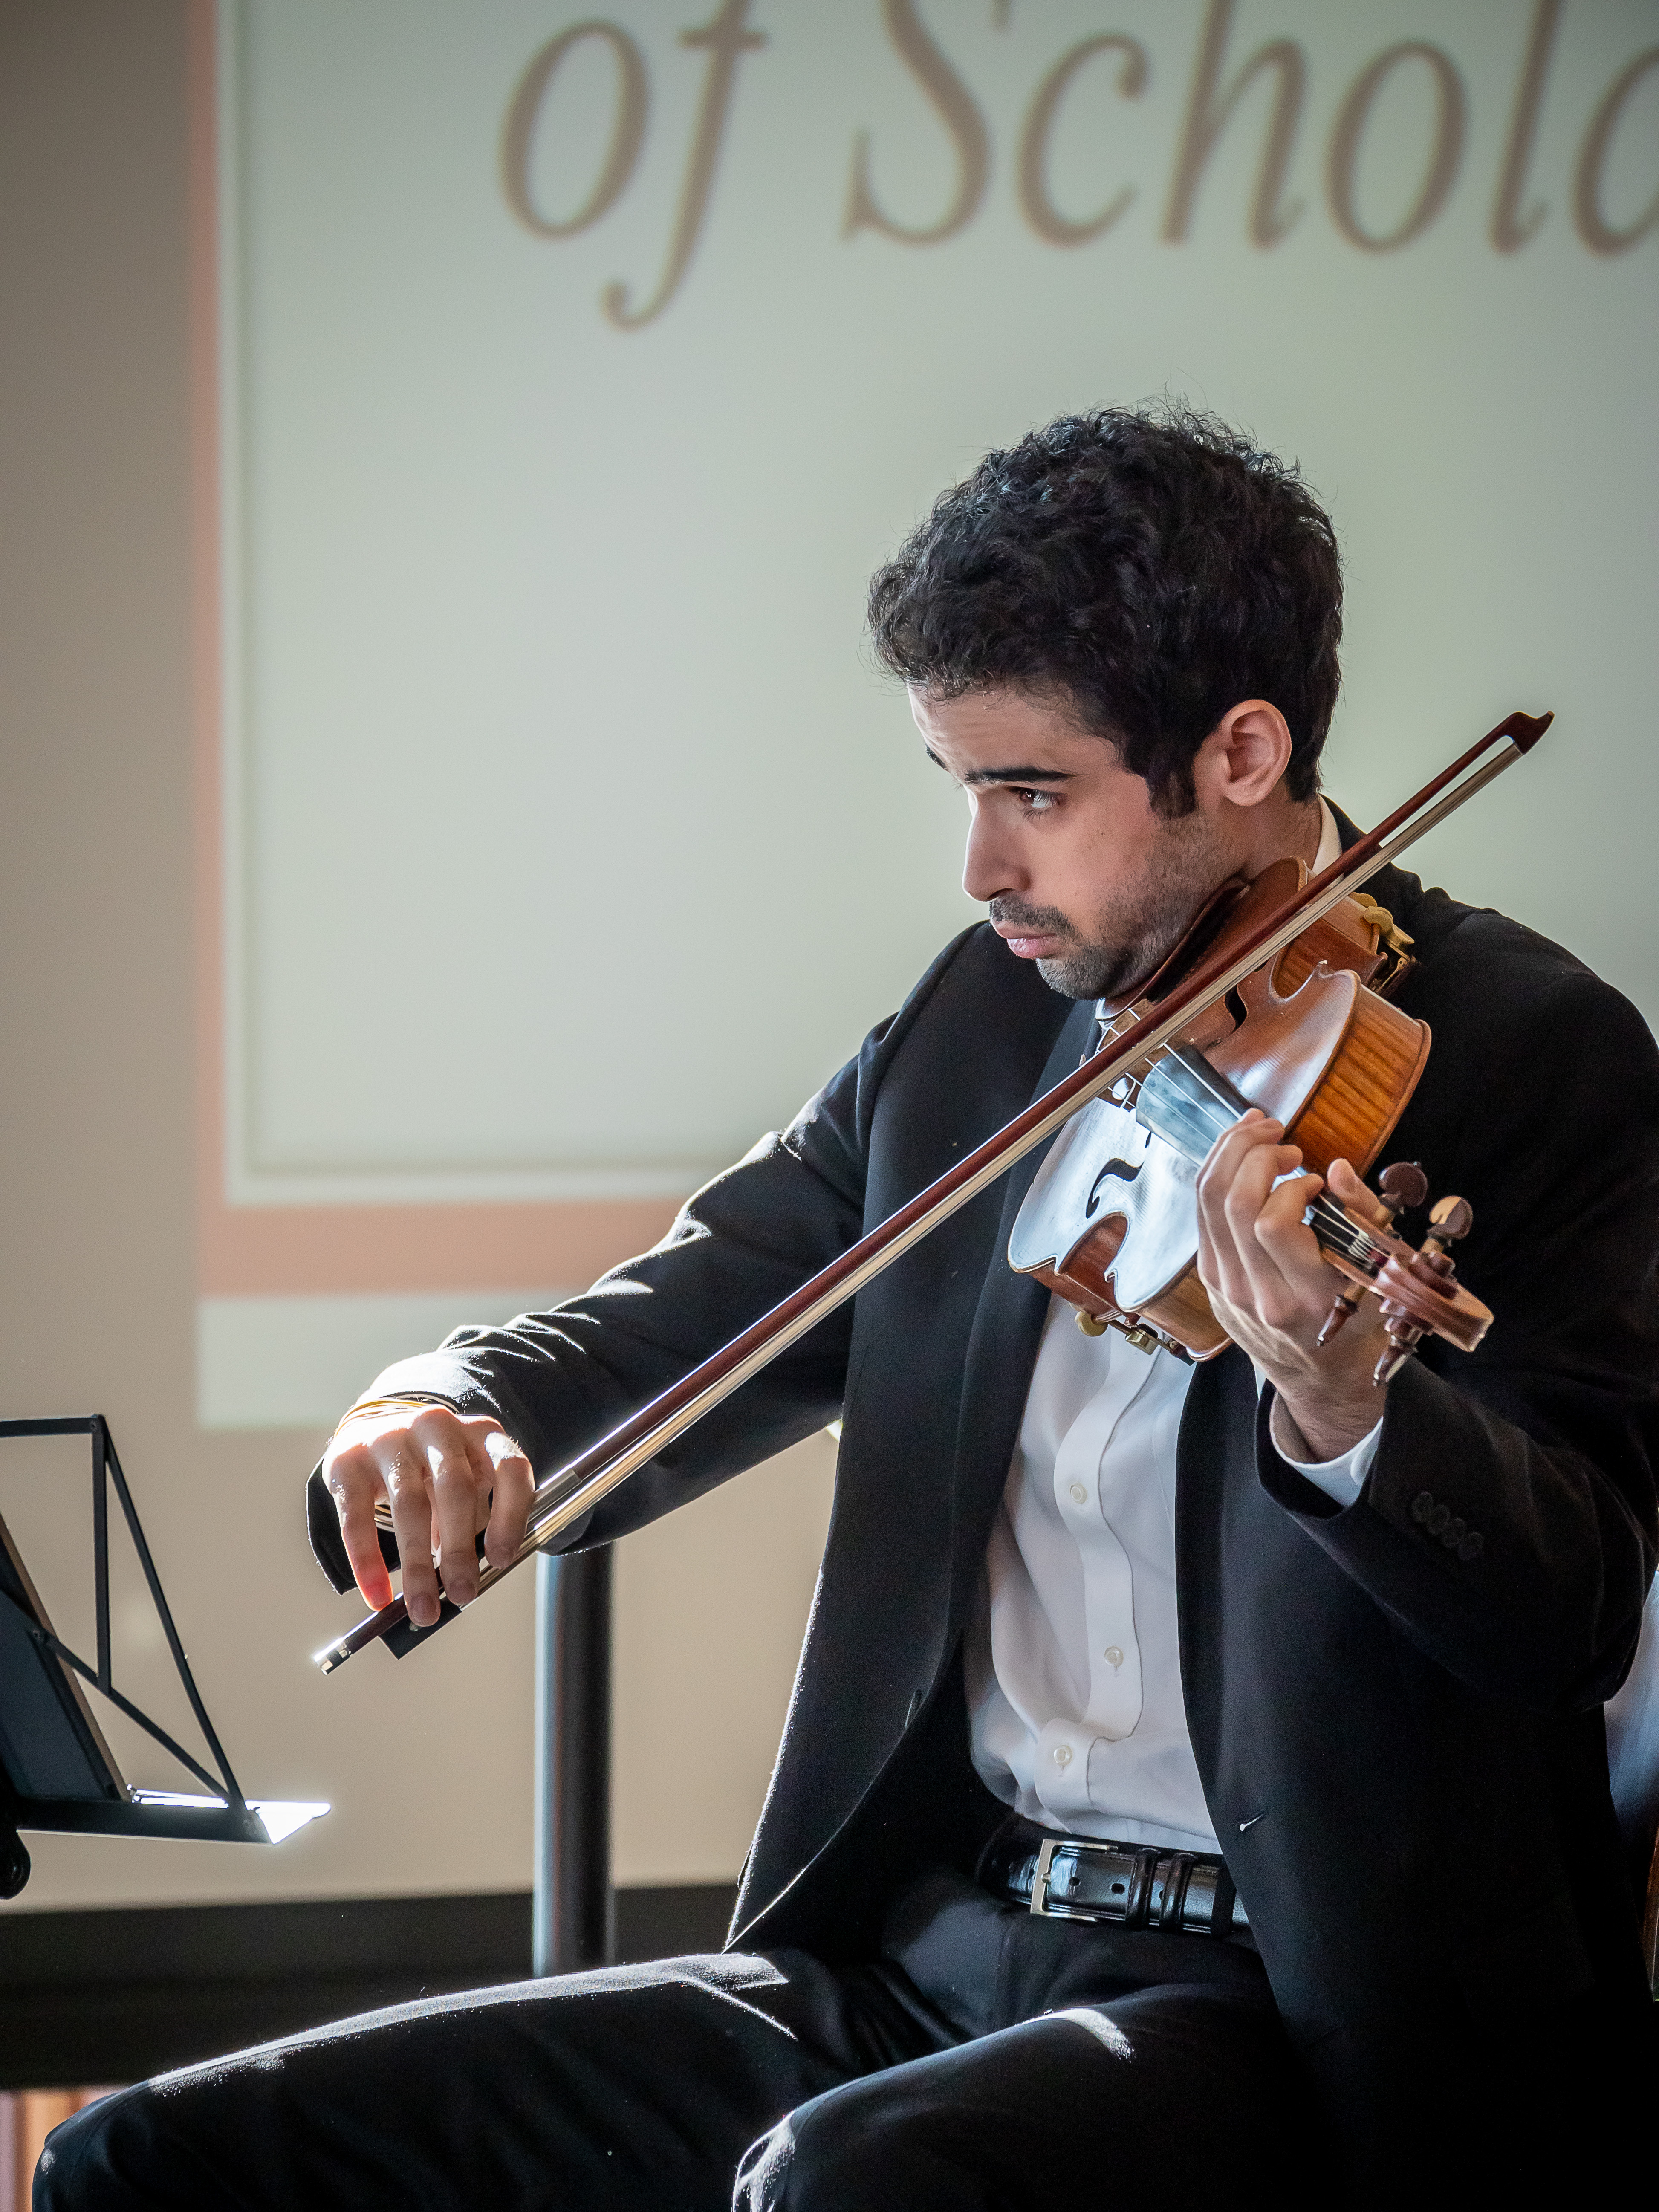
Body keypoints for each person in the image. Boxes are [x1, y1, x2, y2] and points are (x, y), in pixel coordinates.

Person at [40, 409, 1658, 2210]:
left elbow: (1573, 1608)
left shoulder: (1528, 1054)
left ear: (1240, 750)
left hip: (1290, 2011)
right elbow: (690, 1305)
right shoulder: (982, 1028)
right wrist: (443, 1398)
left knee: (848, 2184)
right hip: (931, 1951)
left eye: (1031, 794)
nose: (980, 869)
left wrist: (1350, 1413)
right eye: (958, 786)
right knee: (147, 2158)